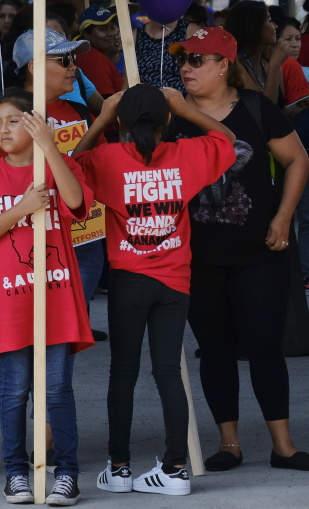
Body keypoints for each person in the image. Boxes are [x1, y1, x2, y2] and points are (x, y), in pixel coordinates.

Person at [0, 29, 105, 479]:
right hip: (8, 256)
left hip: (74, 247)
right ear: (36, 65)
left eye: (75, 60)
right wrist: (12, 194)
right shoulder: (0, 114)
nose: (74, 68)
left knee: (58, 351)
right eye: (64, 60)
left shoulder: (75, 110)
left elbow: (81, 181)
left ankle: (48, 450)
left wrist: (97, 122)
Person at [72, 84, 236, 495]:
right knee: (169, 374)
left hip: (128, 278)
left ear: (122, 123)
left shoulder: (108, 158)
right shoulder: (186, 154)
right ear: (167, 120)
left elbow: (72, 167)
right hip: (175, 280)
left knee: (122, 373)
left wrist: (103, 118)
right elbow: (228, 141)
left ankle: (120, 468)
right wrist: (186, 108)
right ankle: (176, 468)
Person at [167, 27, 309, 473]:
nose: (186, 67)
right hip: (196, 255)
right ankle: (229, 444)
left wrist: (284, 215)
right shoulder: (170, 115)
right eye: (183, 59)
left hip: (258, 250)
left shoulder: (254, 107)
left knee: (265, 345)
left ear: (224, 64)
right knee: (215, 347)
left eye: (197, 59)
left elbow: (297, 159)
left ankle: (282, 445)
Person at [0, 90, 94, 506]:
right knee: (14, 391)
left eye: (13, 120)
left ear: (34, 123)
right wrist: (21, 208)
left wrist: (50, 148)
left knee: (56, 389)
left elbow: (76, 202)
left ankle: (67, 473)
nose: (3, 129)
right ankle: (16, 473)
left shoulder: (53, 164)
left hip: (55, 296)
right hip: (11, 299)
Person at [224, 1, 289, 107]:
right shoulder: (235, 66)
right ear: (253, 26)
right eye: (270, 20)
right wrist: (275, 65)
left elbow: (280, 110)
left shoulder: (267, 64)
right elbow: (265, 110)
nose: (276, 26)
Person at [136, 14, 199, 92]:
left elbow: (201, 78)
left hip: (181, 101)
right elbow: (128, 79)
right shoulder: (136, 35)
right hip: (144, 101)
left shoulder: (191, 31)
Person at [75, 7, 124, 97]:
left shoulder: (92, 54)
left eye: (112, 27)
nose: (111, 33)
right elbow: (107, 103)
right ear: (86, 34)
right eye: (103, 29)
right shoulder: (93, 59)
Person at [274, 18, 309, 109]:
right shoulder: (290, 65)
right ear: (274, 41)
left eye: (298, 39)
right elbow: (301, 109)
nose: (295, 44)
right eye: (288, 39)